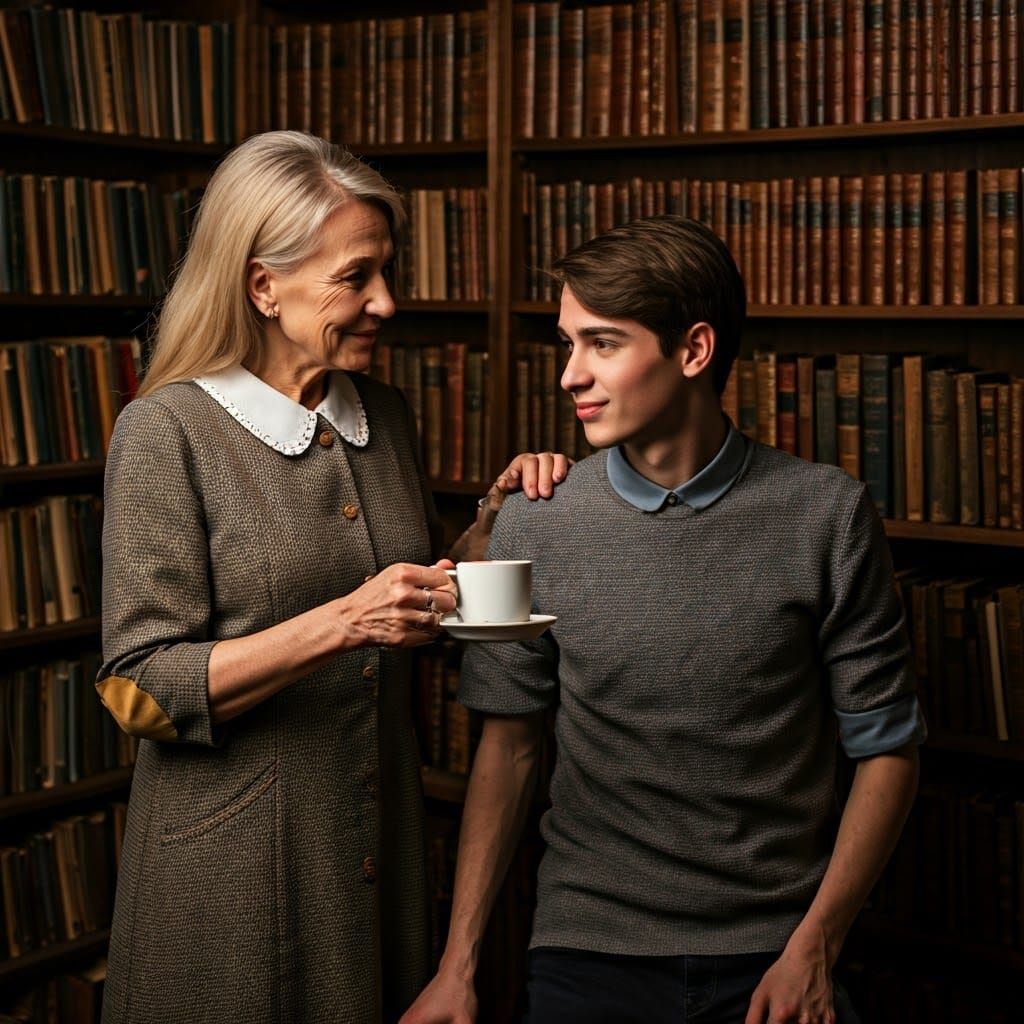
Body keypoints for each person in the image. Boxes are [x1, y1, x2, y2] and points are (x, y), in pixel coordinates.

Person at [403, 215, 926, 1024]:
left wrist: (814, 948)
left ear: (693, 351)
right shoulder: (538, 518)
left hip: (775, 955)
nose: (570, 375)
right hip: (585, 953)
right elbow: (508, 747)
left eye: (603, 344)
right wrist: (456, 966)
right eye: (567, 344)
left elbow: (887, 749)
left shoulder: (826, 514)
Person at [95, 130, 568, 1024]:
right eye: (357, 278)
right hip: (227, 885)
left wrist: (499, 518)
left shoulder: (379, 413)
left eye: (386, 273)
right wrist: (343, 622)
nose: (386, 303)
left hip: (373, 854)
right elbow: (136, 688)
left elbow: (413, 591)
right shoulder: (166, 433)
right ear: (262, 285)